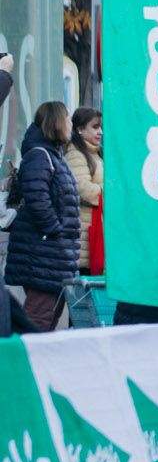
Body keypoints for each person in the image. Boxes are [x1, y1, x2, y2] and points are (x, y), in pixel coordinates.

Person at [5, 101, 79, 331]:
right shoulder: (41, 155)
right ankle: (17, 366)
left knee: (44, 319)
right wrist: (54, 230)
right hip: (44, 252)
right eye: (67, 119)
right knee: (38, 320)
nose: (70, 124)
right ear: (56, 122)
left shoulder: (51, 154)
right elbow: (38, 198)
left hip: (52, 253)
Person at [64, 108, 104, 276]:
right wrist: (112, 190)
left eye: (101, 127)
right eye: (95, 127)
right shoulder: (75, 154)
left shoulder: (95, 153)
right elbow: (83, 189)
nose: (100, 132)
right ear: (80, 129)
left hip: (94, 228)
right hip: (84, 232)